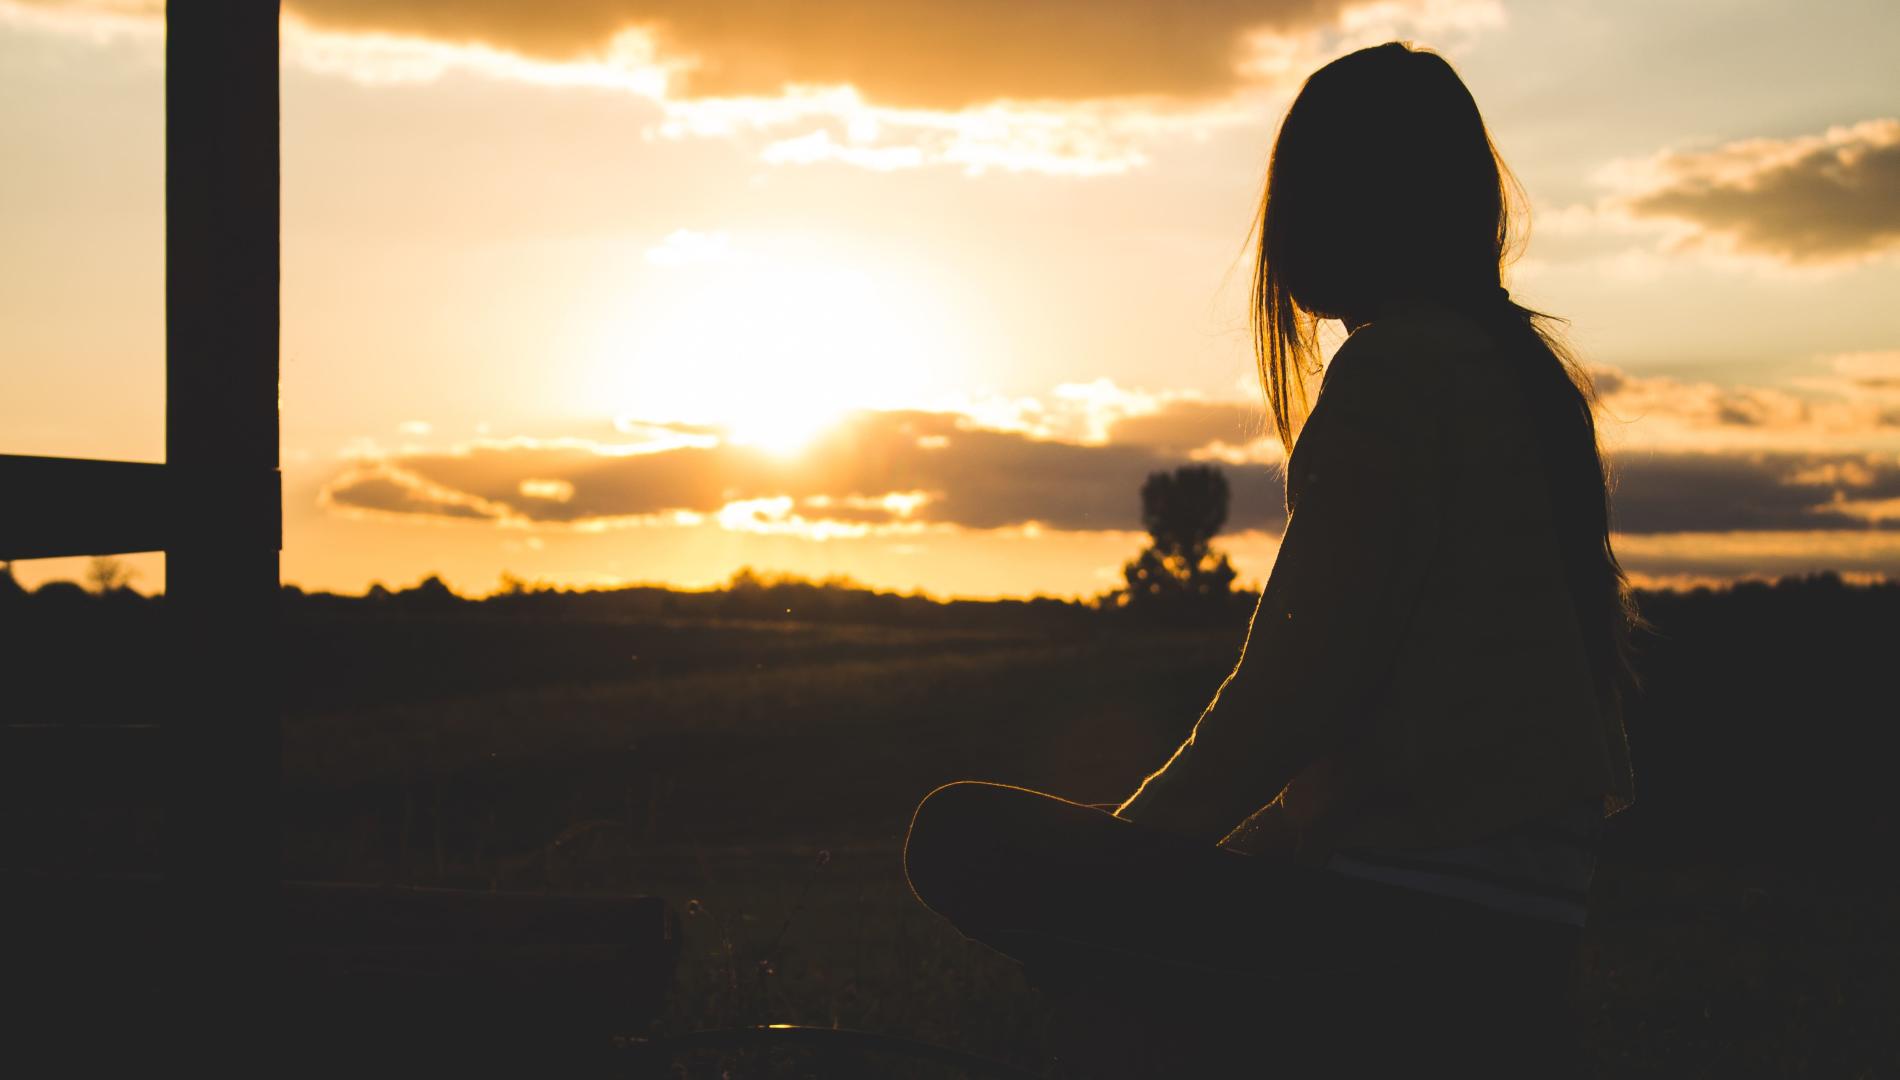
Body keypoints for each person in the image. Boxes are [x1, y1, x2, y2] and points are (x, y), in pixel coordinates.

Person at [902, 40, 1641, 1078]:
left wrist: (1130, 857)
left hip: (1407, 934)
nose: (1277, 230)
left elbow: (1294, 693)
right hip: (1518, 932)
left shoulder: (1396, 371)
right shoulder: (1521, 377)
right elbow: (1379, 733)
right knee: (1133, 963)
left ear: (1353, 203)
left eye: (1295, 191)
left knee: (957, 836)